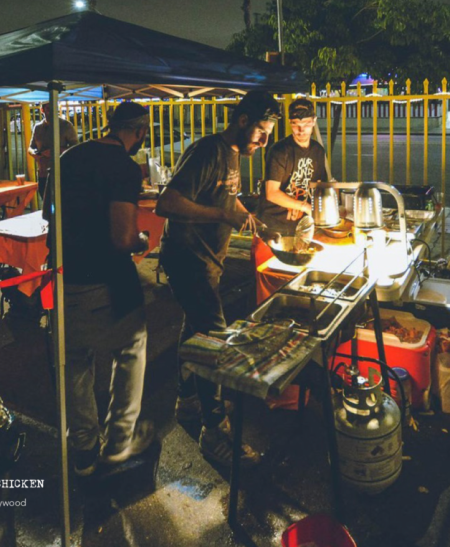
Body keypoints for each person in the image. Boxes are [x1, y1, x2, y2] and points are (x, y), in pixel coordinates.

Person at [155, 90, 281, 468]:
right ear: (242, 121)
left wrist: (248, 217)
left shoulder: (232, 155)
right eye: (261, 131)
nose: (264, 141)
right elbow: (168, 203)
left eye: (269, 134)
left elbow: (226, 197)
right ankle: (216, 429)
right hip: (187, 258)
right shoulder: (208, 151)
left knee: (194, 330)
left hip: (207, 262)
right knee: (213, 337)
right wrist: (222, 217)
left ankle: (188, 400)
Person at [45, 102, 154, 477]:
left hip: (66, 277)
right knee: (131, 349)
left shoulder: (68, 157)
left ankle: (84, 449)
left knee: (76, 361)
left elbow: (51, 217)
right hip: (108, 280)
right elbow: (122, 237)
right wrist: (142, 240)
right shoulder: (125, 167)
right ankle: (119, 441)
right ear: (138, 132)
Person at [253, 98, 329, 302]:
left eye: (305, 124)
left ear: (313, 121)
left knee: (297, 289)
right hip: (271, 227)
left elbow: (318, 185)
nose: (300, 130)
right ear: (290, 123)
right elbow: (272, 192)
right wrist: (303, 205)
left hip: (299, 230)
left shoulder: (318, 151)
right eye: (295, 124)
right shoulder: (279, 151)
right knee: (268, 285)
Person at [29, 102, 78, 198]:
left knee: (62, 203)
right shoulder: (38, 128)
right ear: (42, 110)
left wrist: (57, 150)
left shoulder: (66, 126)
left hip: (61, 172)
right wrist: (35, 153)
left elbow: (75, 148)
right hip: (43, 172)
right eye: (48, 108)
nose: (51, 111)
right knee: (45, 200)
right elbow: (31, 147)